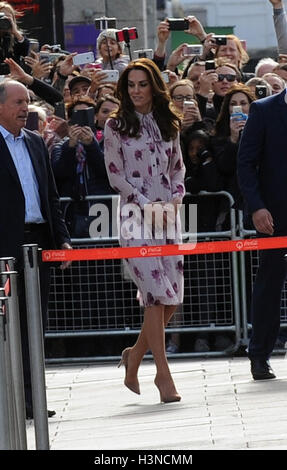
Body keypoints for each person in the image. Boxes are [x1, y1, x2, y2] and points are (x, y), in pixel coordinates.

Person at [104, 58, 185, 403]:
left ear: (154, 86)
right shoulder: (116, 125)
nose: (136, 91)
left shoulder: (169, 124)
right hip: (135, 216)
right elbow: (114, 174)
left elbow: (178, 168)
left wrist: (176, 200)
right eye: (131, 85)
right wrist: (143, 201)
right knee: (155, 294)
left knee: (170, 299)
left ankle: (135, 355)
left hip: (168, 214)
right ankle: (163, 375)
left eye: (142, 84)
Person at [0, 79, 72, 418]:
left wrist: (62, 239)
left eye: (27, 101)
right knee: (6, 326)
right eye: (17, 102)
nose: (24, 108)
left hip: (38, 244)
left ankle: (32, 401)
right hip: (5, 249)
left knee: (33, 325)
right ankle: (9, 400)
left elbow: (51, 197)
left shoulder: (34, 142)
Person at [237, 84, 287, 381]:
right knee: (269, 285)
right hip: (275, 217)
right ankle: (259, 356)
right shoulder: (264, 109)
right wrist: (256, 207)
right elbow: (245, 163)